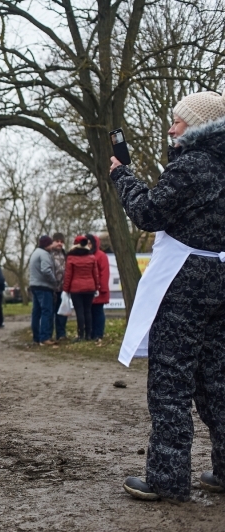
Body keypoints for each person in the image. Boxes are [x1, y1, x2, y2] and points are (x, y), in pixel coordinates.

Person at [111, 90, 225, 502]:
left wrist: (122, 175)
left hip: (184, 282)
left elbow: (148, 213)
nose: (171, 127)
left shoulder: (193, 165)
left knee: (171, 383)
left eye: (177, 121)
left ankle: (166, 478)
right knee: (217, 381)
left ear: (198, 126)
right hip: (219, 278)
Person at [63, 235, 100, 342]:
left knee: (79, 311)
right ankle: (89, 335)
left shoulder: (71, 258)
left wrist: (65, 290)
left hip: (76, 288)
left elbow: (68, 275)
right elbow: (95, 274)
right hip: (90, 287)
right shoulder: (92, 257)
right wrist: (96, 287)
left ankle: (81, 335)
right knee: (88, 311)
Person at [28, 235, 57, 345]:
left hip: (34, 285)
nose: (52, 246)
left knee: (36, 313)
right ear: (47, 245)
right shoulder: (44, 254)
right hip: (44, 287)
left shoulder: (35, 252)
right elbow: (46, 270)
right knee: (47, 312)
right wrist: (54, 281)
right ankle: (45, 338)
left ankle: (36, 337)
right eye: (50, 244)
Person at [87, 234, 110, 342]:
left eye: (90, 243)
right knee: (90, 313)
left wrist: (102, 288)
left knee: (98, 312)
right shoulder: (86, 255)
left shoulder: (101, 256)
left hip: (98, 290)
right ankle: (91, 333)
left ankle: (98, 334)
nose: (88, 245)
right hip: (88, 289)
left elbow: (104, 273)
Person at [50, 233, 68, 341]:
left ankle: (61, 334)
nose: (59, 243)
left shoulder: (65, 255)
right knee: (50, 313)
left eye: (61, 241)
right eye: (57, 241)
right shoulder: (49, 254)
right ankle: (49, 334)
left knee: (62, 313)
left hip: (63, 289)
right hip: (51, 288)